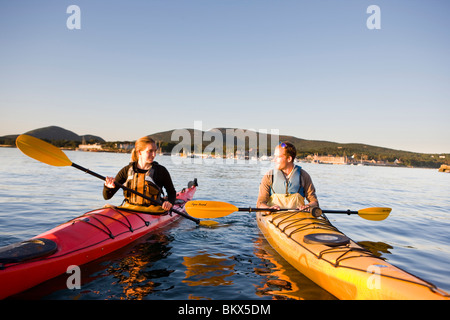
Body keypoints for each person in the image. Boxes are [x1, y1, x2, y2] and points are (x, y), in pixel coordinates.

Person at [103, 136, 175, 213]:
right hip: (129, 208)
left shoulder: (161, 171)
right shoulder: (126, 170)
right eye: (150, 151)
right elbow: (107, 197)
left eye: (155, 151)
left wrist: (169, 203)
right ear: (139, 152)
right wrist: (108, 187)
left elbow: (171, 192)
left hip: (153, 211)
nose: (154, 154)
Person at [257, 142, 319, 211]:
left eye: (278, 157)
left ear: (289, 159)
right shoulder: (269, 176)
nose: (274, 160)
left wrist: (308, 206)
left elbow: (314, 202)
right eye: (275, 156)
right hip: (273, 217)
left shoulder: (304, 176)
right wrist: (268, 209)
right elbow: (260, 203)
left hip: (297, 217)